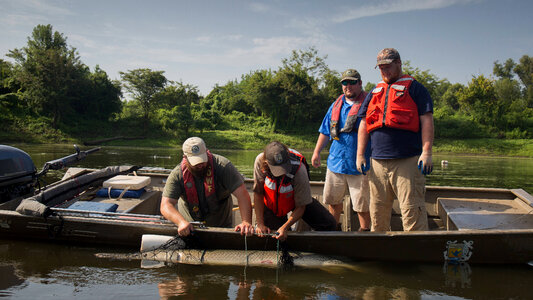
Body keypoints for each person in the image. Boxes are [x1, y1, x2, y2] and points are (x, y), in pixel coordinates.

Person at [356, 48, 434, 231]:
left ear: (399, 63)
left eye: (388, 66)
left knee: (411, 210)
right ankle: (380, 251)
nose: (385, 71)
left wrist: (427, 152)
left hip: (407, 161)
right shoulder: (375, 91)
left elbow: (427, 121)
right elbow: (363, 124)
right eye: (381, 68)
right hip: (377, 163)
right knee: (377, 212)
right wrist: (360, 154)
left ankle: (414, 253)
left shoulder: (416, 88)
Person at [311, 68, 372, 231]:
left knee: (362, 206)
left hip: (360, 167)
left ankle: (365, 233)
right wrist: (317, 152)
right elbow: (325, 131)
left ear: (360, 83)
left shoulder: (369, 103)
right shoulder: (336, 104)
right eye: (345, 83)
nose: (348, 86)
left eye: (352, 82)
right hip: (336, 163)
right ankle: (333, 230)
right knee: (333, 201)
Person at [160, 137, 254, 236]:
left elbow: (242, 195)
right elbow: (166, 205)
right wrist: (181, 222)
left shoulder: (223, 166)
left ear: (207, 152)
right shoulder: (177, 174)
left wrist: (246, 222)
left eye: (202, 160)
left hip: (221, 225)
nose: (200, 165)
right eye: (195, 162)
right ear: (185, 158)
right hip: (190, 228)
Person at [253, 141, 337, 241]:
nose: (281, 173)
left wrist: (285, 227)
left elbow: (301, 206)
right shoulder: (260, 161)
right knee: (273, 236)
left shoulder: (299, 169)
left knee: (329, 224)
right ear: (266, 163)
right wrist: (260, 224)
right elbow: (258, 194)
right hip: (272, 202)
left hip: (295, 199)